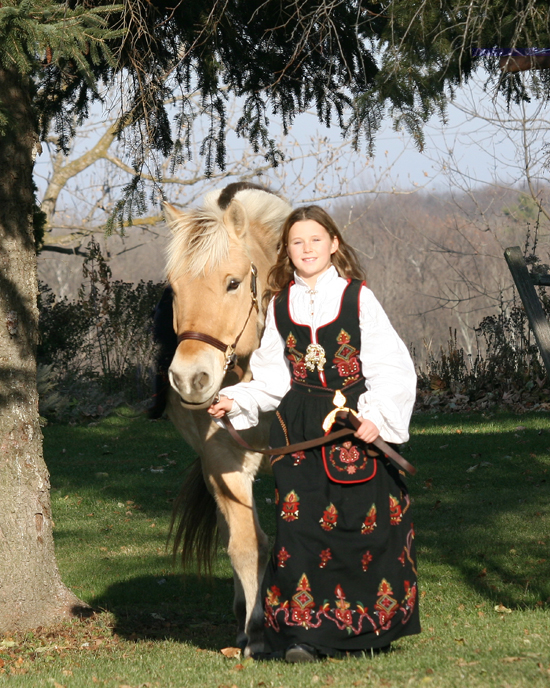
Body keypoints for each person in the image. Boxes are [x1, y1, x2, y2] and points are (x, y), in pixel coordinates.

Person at [208, 206, 420, 661]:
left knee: (359, 524)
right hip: (299, 422)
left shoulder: (358, 298)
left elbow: (392, 366)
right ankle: (304, 636)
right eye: (297, 242)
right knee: (301, 529)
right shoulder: (278, 303)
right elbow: (272, 376)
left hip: (354, 420)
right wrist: (237, 400)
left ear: (333, 245)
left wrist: (376, 417)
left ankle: (363, 632)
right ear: (288, 250)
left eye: (315, 240)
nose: (306, 250)